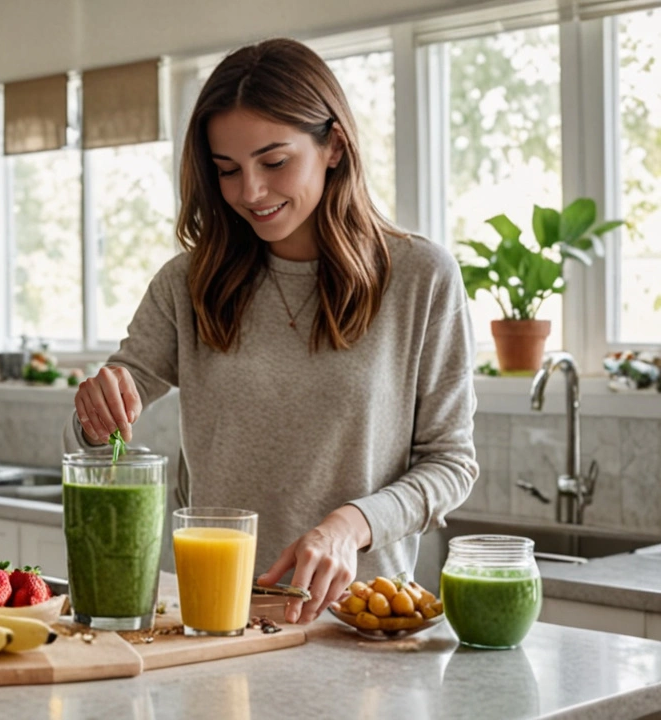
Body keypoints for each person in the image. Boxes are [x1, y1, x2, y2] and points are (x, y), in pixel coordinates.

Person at [65, 38, 478, 625]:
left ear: (334, 145)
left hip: (358, 625)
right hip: (216, 620)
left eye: (274, 162)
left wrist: (350, 525)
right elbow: (90, 433)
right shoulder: (188, 283)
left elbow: (451, 463)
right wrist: (93, 409)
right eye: (227, 170)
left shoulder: (420, 278)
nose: (250, 192)